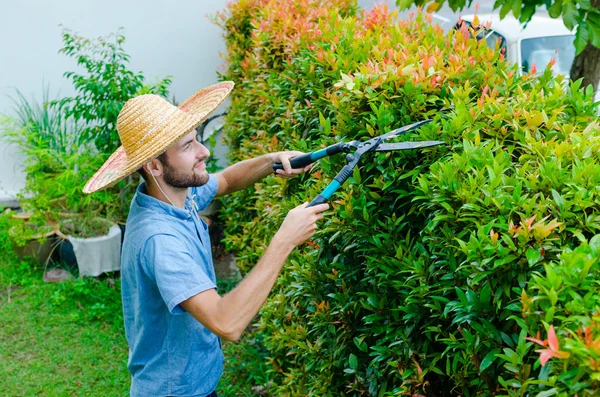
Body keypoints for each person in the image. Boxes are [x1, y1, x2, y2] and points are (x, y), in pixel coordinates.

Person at [83, 81, 329, 397]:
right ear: (154, 165)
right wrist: (284, 240)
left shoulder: (173, 193)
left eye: (196, 139)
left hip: (194, 384)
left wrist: (273, 161)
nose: (204, 152)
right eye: (188, 147)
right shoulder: (160, 241)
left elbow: (225, 179)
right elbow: (227, 323)